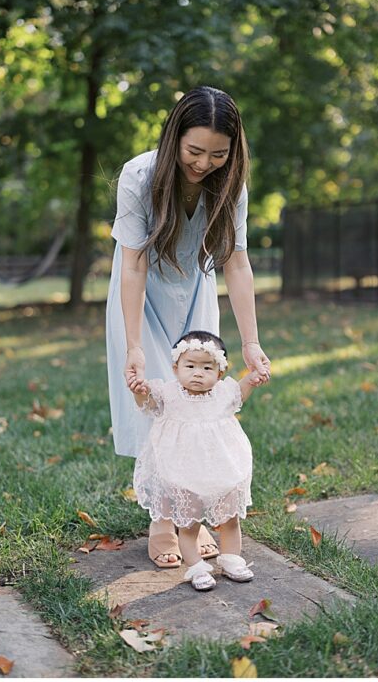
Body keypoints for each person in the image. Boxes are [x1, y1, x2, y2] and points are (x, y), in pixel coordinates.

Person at [106, 86, 272, 569]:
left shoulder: (231, 185)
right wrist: (133, 343)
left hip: (196, 288)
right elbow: (132, 264)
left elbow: (237, 265)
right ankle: (163, 520)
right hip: (139, 295)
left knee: (197, 403)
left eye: (218, 154)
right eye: (194, 151)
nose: (203, 164)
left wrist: (252, 343)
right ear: (174, 137)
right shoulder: (138, 175)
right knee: (156, 402)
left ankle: (193, 519)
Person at [129, 331, 267, 591]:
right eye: (190, 366)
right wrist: (140, 391)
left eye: (207, 367)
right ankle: (196, 566)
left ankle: (232, 559)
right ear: (176, 368)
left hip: (222, 469)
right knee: (188, 523)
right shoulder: (169, 394)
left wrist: (254, 377)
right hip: (184, 472)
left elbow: (243, 390)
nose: (198, 373)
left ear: (220, 370)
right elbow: (146, 403)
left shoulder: (224, 393)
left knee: (230, 519)